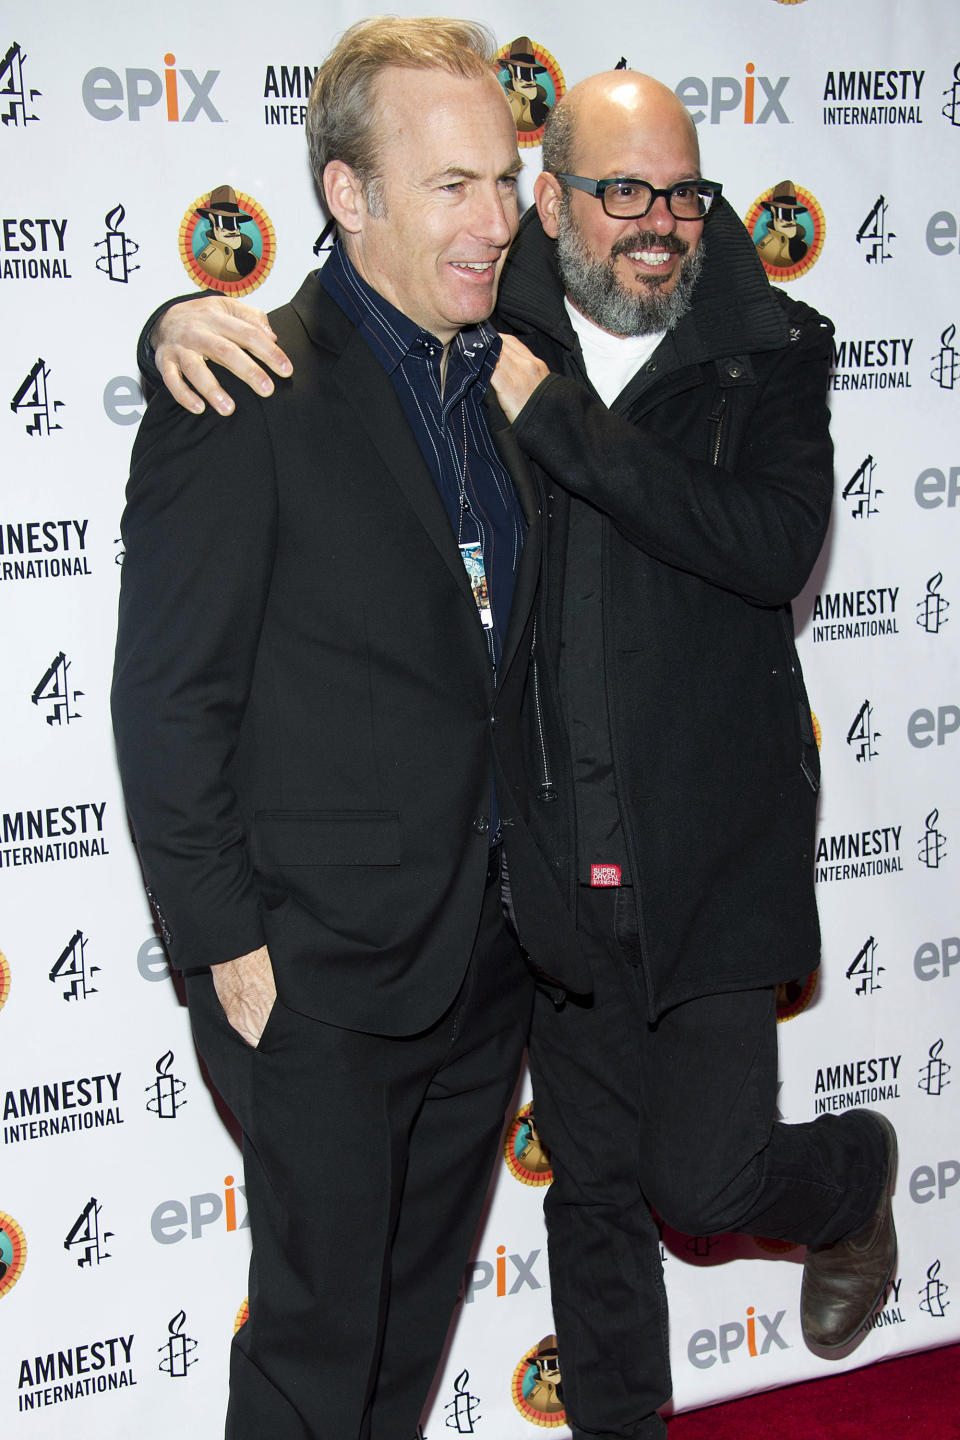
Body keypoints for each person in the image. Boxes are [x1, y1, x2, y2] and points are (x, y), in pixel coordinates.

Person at [139, 67, 897, 1440]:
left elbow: (767, 545)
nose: (654, 220)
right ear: (561, 204)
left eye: (680, 190)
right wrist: (170, 326)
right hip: (494, 901)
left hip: (672, 869)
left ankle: (853, 1183)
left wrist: (566, 426)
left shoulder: (758, 347)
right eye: (617, 191)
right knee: (565, 1223)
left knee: (691, 1192)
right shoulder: (486, 308)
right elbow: (318, 389)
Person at [111, 19, 587, 1440]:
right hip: (312, 974)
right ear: (347, 194)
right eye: (450, 187)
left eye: (502, 182)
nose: (494, 222)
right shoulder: (246, 387)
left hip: (486, 956)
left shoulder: (505, 371)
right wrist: (219, 938)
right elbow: (168, 694)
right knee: (316, 1365)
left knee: (400, 1346)